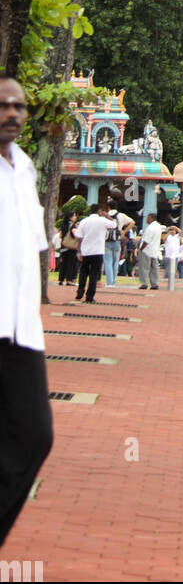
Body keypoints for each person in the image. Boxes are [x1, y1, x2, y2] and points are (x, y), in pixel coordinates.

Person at [0, 77, 54, 548]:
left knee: (36, 436)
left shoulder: (25, 170)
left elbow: (31, 250)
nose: (12, 113)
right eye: (3, 105)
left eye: (18, 106)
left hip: (21, 330)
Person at [68, 203, 114, 304]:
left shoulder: (84, 221)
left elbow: (79, 237)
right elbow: (114, 225)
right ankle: (89, 296)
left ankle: (80, 292)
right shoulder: (102, 220)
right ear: (99, 211)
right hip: (98, 251)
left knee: (83, 272)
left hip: (86, 250)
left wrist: (79, 251)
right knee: (94, 274)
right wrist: (106, 216)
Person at [138, 212, 164, 290]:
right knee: (154, 267)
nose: (146, 219)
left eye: (147, 218)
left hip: (147, 250)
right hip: (155, 249)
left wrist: (141, 248)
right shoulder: (158, 226)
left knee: (144, 267)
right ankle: (154, 283)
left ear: (151, 218)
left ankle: (144, 283)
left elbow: (146, 241)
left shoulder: (150, 228)